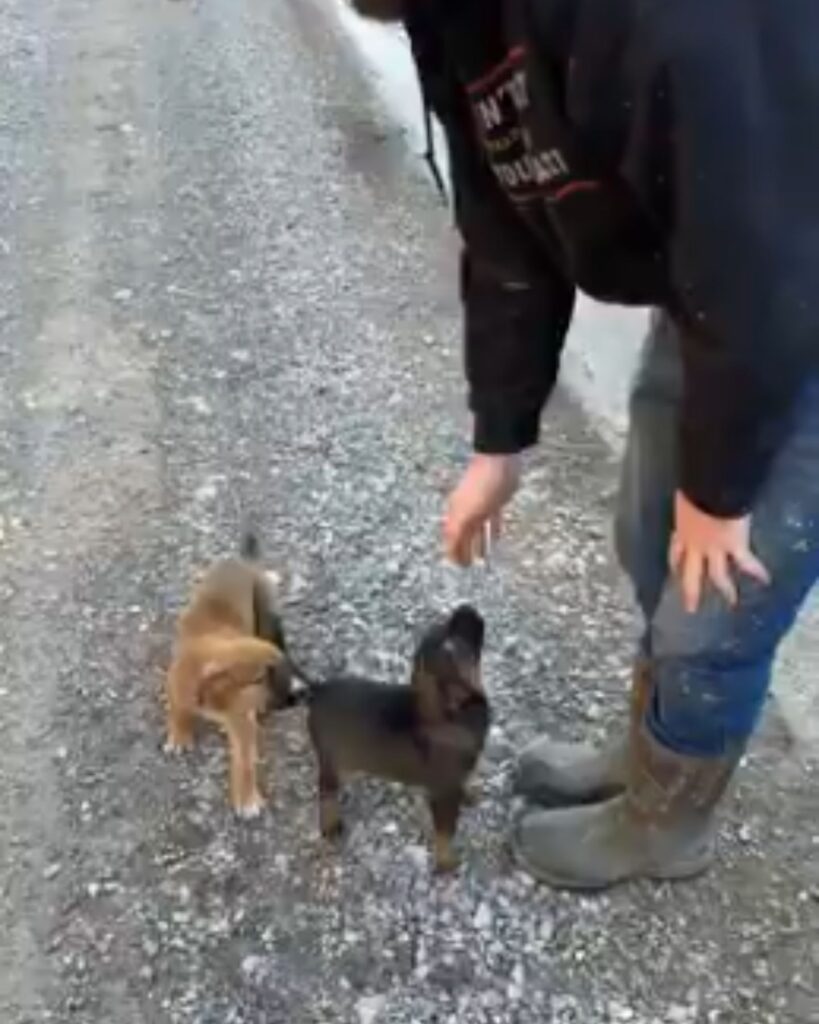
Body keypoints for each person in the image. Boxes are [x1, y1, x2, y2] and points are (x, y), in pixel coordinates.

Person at [349, 0, 819, 889]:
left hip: (789, 277)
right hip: (719, 281)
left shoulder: (666, 21)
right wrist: (500, 439)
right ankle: (648, 752)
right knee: (651, 542)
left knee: (714, 606)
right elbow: (502, 227)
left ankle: (665, 823)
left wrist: (717, 495)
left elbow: (762, 268)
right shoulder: (449, 19)